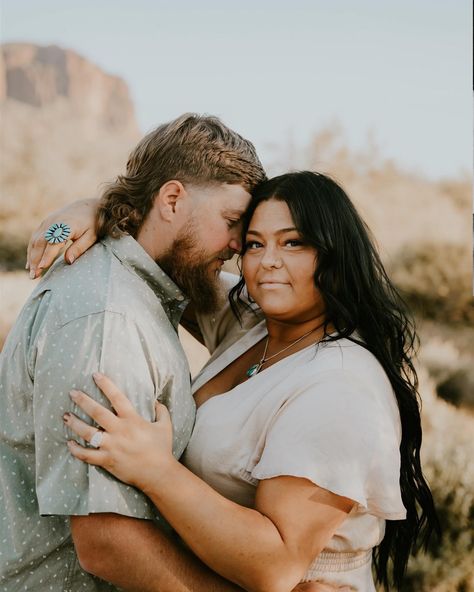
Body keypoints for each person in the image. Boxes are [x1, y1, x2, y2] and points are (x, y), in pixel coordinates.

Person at [27, 172, 438, 591]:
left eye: (293, 242)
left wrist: (157, 470)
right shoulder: (256, 323)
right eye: (255, 243)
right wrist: (95, 211)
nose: (268, 261)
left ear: (334, 254)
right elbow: (166, 256)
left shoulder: (341, 386)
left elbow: (276, 565)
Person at [0, 113, 272, 591]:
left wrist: (101, 206)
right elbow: (106, 540)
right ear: (171, 199)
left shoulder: (152, 290)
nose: (236, 246)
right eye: (232, 222)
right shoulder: (110, 320)